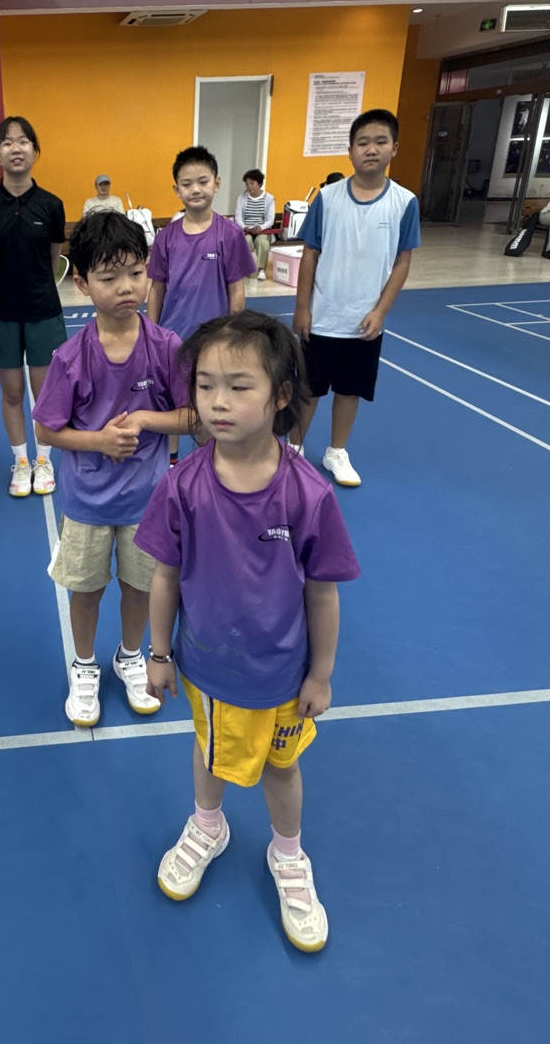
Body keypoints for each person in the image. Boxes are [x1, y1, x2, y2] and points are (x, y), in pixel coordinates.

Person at [138, 310, 358, 954]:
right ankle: (208, 825)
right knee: (209, 753)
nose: (217, 402)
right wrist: (158, 654)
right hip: (206, 666)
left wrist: (321, 674)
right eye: (205, 385)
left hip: (282, 675)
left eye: (239, 386)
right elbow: (164, 577)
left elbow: (323, 592)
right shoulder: (181, 486)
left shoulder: (309, 495)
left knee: (281, 768)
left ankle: (288, 853)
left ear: (281, 395)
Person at [34, 213, 193, 726]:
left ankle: (129, 656)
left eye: (136, 273)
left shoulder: (166, 347)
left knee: (140, 587)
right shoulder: (70, 357)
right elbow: (46, 430)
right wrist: (99, 441)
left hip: (148, 502)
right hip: (87, 503)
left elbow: (193, 417)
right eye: (109, 277)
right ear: (82, 283)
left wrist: (145, 418)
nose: (126, 287)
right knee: (86, 590)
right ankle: (84, 665)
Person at [290, 109, 419, 487]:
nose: (371, 149)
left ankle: (336, 451)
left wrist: (381, 311)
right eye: (363, 143)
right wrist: (302, 307)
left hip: (365, 321)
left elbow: (402, 262)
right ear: (350, 151)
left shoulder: (405, 202)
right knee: (308, 388)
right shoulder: (328, 198)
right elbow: (310, 254)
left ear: (395, 148)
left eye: (380, 142)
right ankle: (293, 448)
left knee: (350, 391)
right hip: (322, 316)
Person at [0, 116, 67, 498]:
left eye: (23, 141)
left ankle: (44, 459)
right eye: (7, 142)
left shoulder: (52, 205)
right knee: (11, 393)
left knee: (44, 394)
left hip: (43, 310)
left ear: (35, 151)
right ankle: (21, 461)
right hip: (1, 312)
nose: (16, 147)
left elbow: (53, 258)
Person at [147, 145, 254, 462]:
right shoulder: (166, 237)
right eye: (187, 183)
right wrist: (151, 333)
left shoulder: (230, 235)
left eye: (203, 181)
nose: (195, 189)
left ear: (216, 184)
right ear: (176, 189)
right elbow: (156, 289)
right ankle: (172, 459)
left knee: (210, 403)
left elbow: (236, 290)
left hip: (214, 340)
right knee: (173, 404)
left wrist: (233, 334)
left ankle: (206, 459)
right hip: (172, 340)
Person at [235, 168, 277, 270]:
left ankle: (261, 269)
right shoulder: (241, 198)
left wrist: (261, 227)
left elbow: (270, 220)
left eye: (252, 183)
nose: (249, 186)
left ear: (259, 183)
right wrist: (245, 227)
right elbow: (238, 218)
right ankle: (244, 268)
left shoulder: (269, 199)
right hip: (246, 230)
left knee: (263, 242)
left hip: (262, 231)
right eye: (247, 184)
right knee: (246, 240)